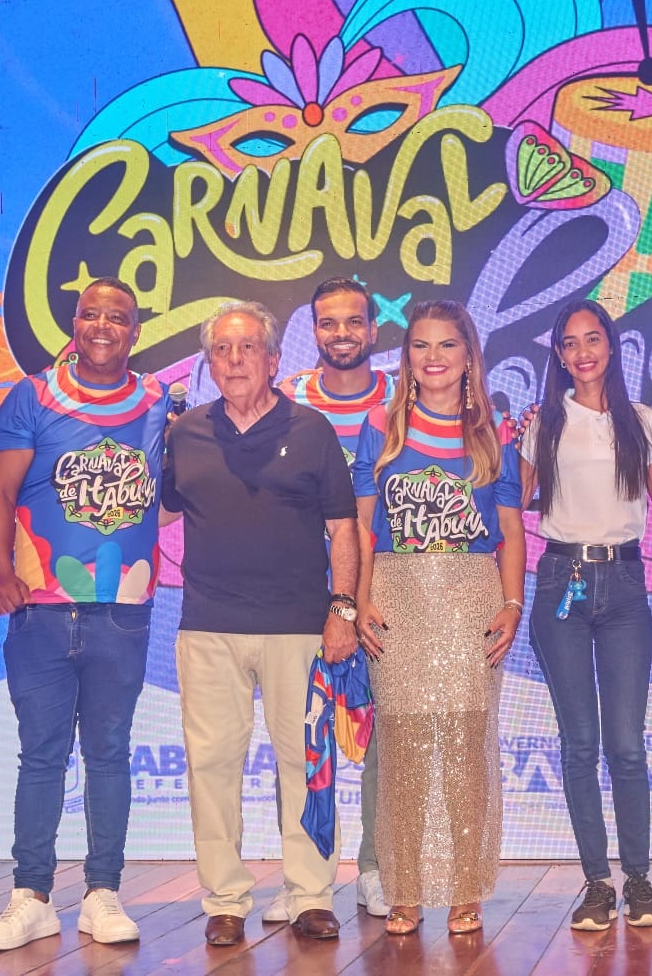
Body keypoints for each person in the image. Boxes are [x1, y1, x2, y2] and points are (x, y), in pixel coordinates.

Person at [0, 277, 167, 951]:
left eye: (117, 316)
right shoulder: (32, 396)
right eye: (91, 314)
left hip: (123, 612)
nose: (103, 325)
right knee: (42, 757)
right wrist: (0, 573)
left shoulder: (158, 402)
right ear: (74, 324)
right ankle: (30, 897)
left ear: (135, 332)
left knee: (109, 754)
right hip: (41, 613)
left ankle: (102, 894)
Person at [161, 300, 361, 946]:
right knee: (211, 765)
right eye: (222, 350)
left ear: (274, 360)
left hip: (298, 626)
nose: (235, 360)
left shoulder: (312, 430)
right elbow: (158, 511)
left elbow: (343, 528)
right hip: (208, 626)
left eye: (248, 348)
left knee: (305, 763)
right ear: (208, 363)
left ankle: (310, 894)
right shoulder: (184, 433)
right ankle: (224, 899)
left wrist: (343, 608)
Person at [352, 299, 526, 937]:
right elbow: (363, 526)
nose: (433, 357)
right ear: (406, 357)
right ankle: (402, 889)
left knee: (465, 748)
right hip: (396, 595)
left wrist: (512, 604)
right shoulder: (382, 424)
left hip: (470, 595)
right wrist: (360, 598)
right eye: (420, 345)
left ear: (468, 355)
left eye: (447, 345)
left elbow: (511, 529)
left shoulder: (493, 430)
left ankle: (465, 889)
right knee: (401, 750)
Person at [519, 299, 652, 931]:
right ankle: (597, 883)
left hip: (626, 585)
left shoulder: (642, 420)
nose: (582, 353)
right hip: (563, 581)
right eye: (570, 343)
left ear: (612, 346)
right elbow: (515, 498)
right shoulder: (544, 422)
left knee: (627, 745)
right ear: (558, 356)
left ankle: (638, 878)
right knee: (580, 743)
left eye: (593, 340)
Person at [271, 276, 396, 922]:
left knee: (382, 740)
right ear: (313, 330)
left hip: (383, 594)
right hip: (297, 592)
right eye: (328, 322)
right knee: (299, 741)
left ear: (374, 329)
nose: (341, 334)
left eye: (353, 322)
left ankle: (376, 867)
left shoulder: (403, 399)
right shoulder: (285, 399)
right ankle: (302, 880)